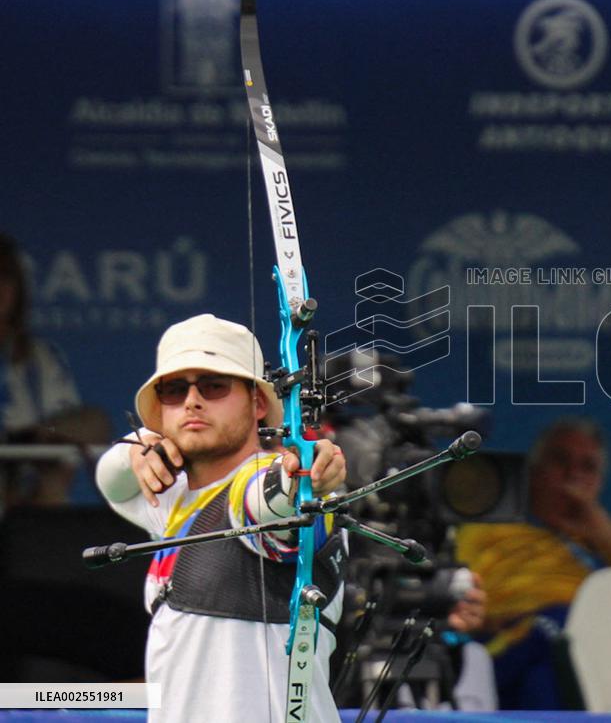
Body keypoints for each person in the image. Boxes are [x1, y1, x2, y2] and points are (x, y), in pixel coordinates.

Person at [95, 314, 349, 723]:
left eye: (214, 385)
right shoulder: (170, 497)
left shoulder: (258, 483)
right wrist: (135, 449)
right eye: (175, 389)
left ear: (258, 403)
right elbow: (110, 478)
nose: (192, 401)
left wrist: (304, 475)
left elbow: (269, 501)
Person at [456, 417, 611, 709]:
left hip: (573, 651)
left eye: (588, 467)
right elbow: (455, 602)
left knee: (544, 675)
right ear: (535, 471)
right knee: (555, 626)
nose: (573, 474)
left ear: (599, 482)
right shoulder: (489, 529)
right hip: (508, 644)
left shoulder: (601, 541)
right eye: (561, 460)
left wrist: (600, 525)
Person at [0, 233, 109, 506]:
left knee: (94, 422)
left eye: (4, 277)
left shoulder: (40, 355)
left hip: (32, 473)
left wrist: (30, 440)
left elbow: (67, 432)